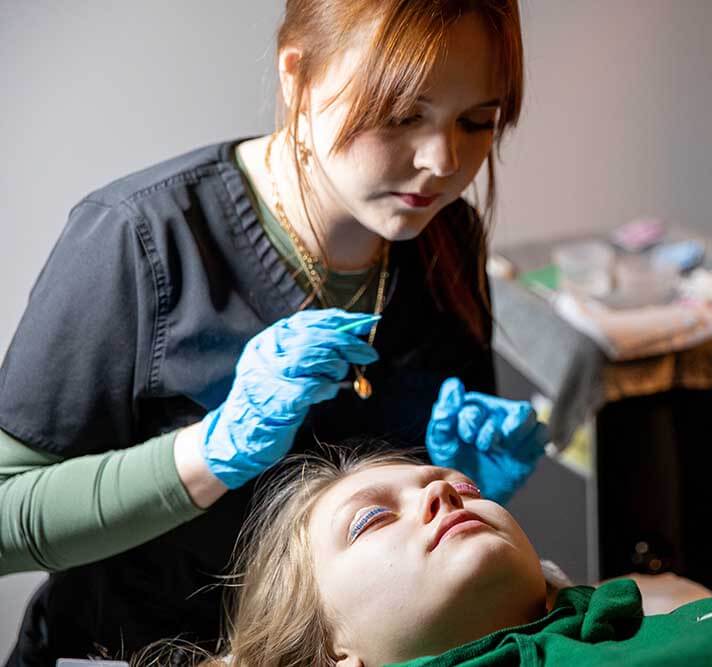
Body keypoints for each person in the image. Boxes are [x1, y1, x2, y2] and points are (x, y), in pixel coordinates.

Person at [0, 1, 549, 663]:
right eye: (403, 113)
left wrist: (466, 478)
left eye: (477, 120)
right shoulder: (140, 241)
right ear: (298, 76)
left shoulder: (446, 242)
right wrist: (208, 453)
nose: (441, 159)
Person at [158, 449, 712, 667]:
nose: (446, 495)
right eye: (373, 519)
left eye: (459, 483)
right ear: (340, 657)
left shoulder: (613, 615)